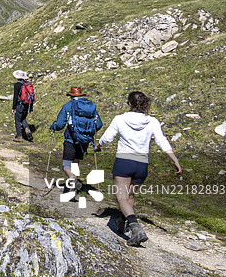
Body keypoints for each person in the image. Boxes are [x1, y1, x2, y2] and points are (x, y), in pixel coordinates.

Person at [95, 91, 182, 247]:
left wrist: (99, 145)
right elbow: (161, 140)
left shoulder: (120, 119)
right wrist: (174, 159)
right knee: (130, 196)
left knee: (122, 198)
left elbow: (108, 138)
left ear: (129, 104)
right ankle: (121, 221)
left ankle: (136, 228)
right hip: (142, 164)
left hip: (124, 162)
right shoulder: (152, 121)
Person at [50, 87, 103, 196]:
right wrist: (87, 133)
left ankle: (72, 179)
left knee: (66, 165)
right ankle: (73, 189)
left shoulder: (68, 106)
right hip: (84, 141)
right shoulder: (90, 107)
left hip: (70, 139)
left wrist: (53, 126)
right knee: (75, 163)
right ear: (81, 95)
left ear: (71, 96)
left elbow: (60, 125)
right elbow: (98, 124)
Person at [12, 70, 34, 142]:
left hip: (20, 104)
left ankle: (19, 136)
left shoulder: (17, 85)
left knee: (17, 120)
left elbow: (15, 97)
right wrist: (31, 106)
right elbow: (31, 96)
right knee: (23, 118)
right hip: (27, 104)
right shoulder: (28, 84)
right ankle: (27, 129)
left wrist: (14, 108)